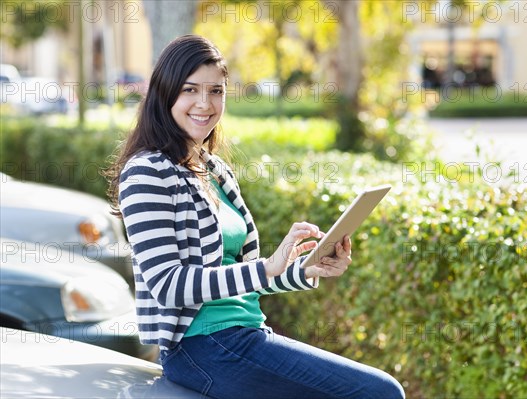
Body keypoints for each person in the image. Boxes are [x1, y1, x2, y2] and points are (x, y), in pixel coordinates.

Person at [107, 34, 405, 399]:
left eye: (216, 91)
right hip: (202, 347)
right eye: (190, 90)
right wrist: (267, 266)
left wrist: (303, 269)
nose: (205, 103)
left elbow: (241, 279)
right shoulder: (147, 171)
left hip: (246, 334)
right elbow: (167, 285)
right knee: (380, 392)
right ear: (165, 93)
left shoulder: (215, 171)